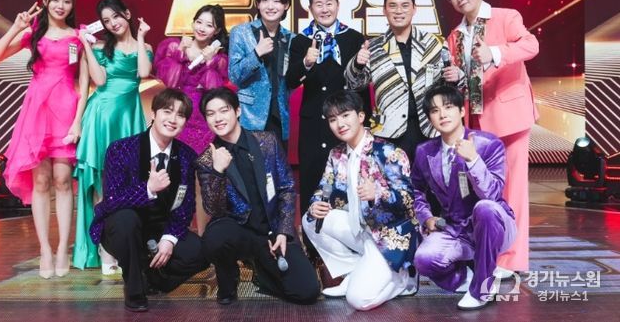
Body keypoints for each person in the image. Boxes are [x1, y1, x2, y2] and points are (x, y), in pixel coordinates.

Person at [0, 0, 89, 279]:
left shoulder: (78, 36)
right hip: (36, 113)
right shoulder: (34, 33)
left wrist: (78, 120)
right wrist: (16, 27)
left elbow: (84, 83)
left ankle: (62, 249)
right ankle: (45, 248)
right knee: (41, 182)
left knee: (63, 180)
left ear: (72, 5)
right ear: (45, 1)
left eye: (67, 1)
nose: (61, 6)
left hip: (66, 110)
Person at [442, 0, 538, 278]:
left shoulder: (506, 17)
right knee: (485, 191)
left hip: (510, 117)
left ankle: (511, 260)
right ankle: (491, 251)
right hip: (476, 122)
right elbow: (464, 78)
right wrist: (457, 76)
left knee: (513, 189)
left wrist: (495, 53)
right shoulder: (455, 36)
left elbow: (531, 46)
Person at [195, 87, 320, 305]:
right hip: (240, 232)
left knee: (307, 291)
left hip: (273, 230)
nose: (218, 118)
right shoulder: (207, 159)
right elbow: (214, 209)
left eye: (224, 110)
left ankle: (261, 271)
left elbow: (287, 188)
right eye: (211, 114)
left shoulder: (267, 141)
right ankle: (229, 279)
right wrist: (217, 171)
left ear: (238, 111)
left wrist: (283, 231)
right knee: (215, 238)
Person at [90, 88, 208, 312]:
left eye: (180, 115)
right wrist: (147, 189)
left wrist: (170, 238)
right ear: (153, 114)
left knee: (202, 251)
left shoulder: (186, 156)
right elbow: (111, 201)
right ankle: (134, 290)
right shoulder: (121, 149)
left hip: (159, 227)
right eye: (167, 111)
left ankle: (151, 279)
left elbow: (185, 207)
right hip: (122, 228)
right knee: (126, 219)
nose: (173, 119)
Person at [302, 90, 417, 311]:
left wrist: (379, 193)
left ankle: (404, 279)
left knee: (358, 300)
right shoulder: (336, 154)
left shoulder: (388, 151)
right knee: (310, 219)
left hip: (389, 237)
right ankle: (355, 272)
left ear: (361, 116)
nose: (340, 124)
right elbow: (324, 186)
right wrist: (316, 203)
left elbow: (408, 199)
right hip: (361, 231)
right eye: (333, 119)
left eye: (345, 115)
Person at [412, 83, 515, 310]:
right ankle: (472, 280)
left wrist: (473, 160)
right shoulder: (424, 151)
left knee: (485, 208)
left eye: (448, 107)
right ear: (429, 119)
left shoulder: (489, 144)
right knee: (423, 260)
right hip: (456, 229)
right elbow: (416, 191)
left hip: (495, 225)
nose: (442, 114)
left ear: (461, 111)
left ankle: (482, 289)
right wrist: (426, 217)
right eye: (435, 110)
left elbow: (493, 194)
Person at [72, 0, 153, 273]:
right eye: (106, 21)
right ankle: (105, 250)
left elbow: (143, 72)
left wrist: (141, 37)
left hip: (129, 118)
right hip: (101, 117)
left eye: (116, 16)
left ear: (127, 14)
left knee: (128, 181)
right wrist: (85, 44)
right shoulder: (98, 48)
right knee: (101, 182)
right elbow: (100, 81)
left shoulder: (144, 47)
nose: (112, 23)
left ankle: (124, 245)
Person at [285, 0, 371, 215]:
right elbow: (290, 81)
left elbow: (361, 88)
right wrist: (306, 62)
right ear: (310, 8)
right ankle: (311, 236)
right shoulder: (301, 40)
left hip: (346, 124)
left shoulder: (353, 38)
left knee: (347, 182)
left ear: (338, 5)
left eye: (329, 3)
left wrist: (366, 122)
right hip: (313, 123)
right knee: (313, 180)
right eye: (319, 4)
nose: (324, 9)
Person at [345, 0, 445, 162]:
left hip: (430, 128)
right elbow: (354, 84)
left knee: (430, 179)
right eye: (392, 6)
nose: (399, 11)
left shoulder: (433, 43)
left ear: (414, 9)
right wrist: (357, 64)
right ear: (384, 10)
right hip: (389, 133)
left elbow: (450, 84)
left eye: (405, 5)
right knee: (392, 180)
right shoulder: (373, 47)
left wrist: (457, 76)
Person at [154, 4, 229, 235]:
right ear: (193, 22)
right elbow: (168, 82)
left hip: (203, 124)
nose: (202, 28)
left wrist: (209, 62)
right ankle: (175, 235)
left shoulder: (219, 58)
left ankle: (204, 237)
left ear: (217, 31)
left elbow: (215, 92)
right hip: (177, 120)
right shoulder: (174, 46)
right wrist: (180, 53)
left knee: (201, 182)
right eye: (199, 22)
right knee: (175, 180)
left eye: (209, 25)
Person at [228, 0, 295, 148]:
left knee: (278, 164)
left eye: (277, 1)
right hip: (249, 117)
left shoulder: (291, 38)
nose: (270, 6)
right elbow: (234, 76)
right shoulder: (241, 32)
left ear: (286, 5)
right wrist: (256, 54)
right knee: (250, 163)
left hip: (279, 117)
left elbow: (292, 81)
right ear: (258, 4)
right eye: (265, 0)